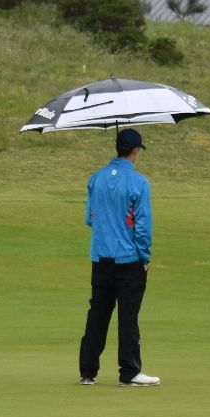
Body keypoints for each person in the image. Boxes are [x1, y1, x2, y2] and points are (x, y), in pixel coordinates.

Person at [79, 127, 159, 386]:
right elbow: (143, 226)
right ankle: (130, 372)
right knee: (128, 316)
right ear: (135, 151)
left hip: (100, 258)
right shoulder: (139, 182)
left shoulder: (96, 178)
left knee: (98, 313)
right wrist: (145, 257)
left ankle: (87, 371)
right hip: (129, 260)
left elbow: (90, 218)